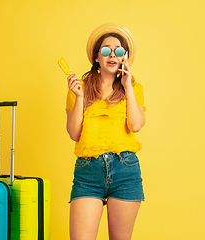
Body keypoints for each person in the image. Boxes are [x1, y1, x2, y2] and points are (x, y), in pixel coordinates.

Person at [65, 23, 146, 240]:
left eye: (118, 51)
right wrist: (80, 96)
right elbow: (74, 133)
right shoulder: (78, 88)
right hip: (88, 172)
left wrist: (128, 87)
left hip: (125, 170)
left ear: (124, 58)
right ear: (96, 58)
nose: (112, 55)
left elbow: (135, 125)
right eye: (105, 50)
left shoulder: (134, 89)